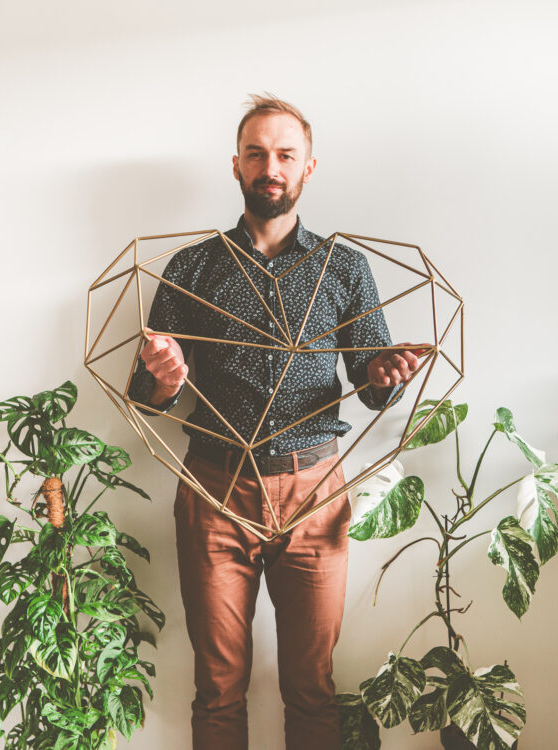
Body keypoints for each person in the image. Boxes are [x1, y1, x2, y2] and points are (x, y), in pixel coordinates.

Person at [128, 94, 420, 750]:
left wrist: (384, 375)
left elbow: (370, 383)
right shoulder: (192, 268)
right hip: (215, 491)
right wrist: (166, 379)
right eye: (257, 153)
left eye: (286, 155)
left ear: (309, 167)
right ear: (236, 165)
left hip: (315, 490)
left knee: (312, 685)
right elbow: (145, 395)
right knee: (218, 686)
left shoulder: (345, 267)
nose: (271, 166)